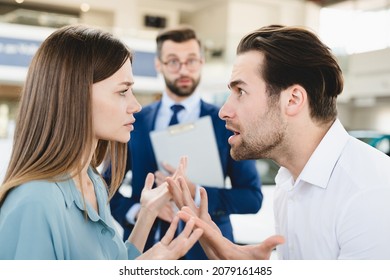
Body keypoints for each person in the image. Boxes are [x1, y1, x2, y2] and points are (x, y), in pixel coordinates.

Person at [169, 24, 390, 260]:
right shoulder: (287, 184)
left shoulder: (370, 194)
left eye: (241, 92)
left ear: (293, 100)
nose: (224, 110)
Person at [0, 24, 202, 260]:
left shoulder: (92, 180)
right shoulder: (34, 204)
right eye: (123, 91)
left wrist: (147, 213)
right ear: (77, 95)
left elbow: (112, 263)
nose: (136, 105)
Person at [104, 26, 263, 259]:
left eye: (191, 61)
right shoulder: (133, 120)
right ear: (159, 65)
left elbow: (252, 197)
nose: (183, 70)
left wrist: (195, 194)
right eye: (173, 62)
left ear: (201, 62)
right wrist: (139, 211)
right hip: (146, 251)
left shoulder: (226, 122)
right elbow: (107, 185)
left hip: (207, 255)